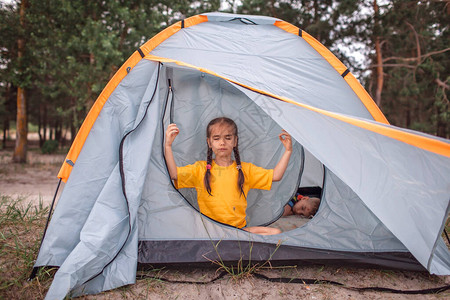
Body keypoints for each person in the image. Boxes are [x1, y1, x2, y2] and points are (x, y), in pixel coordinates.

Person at [164, 117, 292, 235]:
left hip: (238, 231)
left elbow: (275, 176)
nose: (222, 143)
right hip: (210, 232)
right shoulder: (200, 169)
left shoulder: (245, 170)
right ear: (209, 142)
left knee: (275, 233)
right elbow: (174, 174)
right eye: (216, 138)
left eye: (228, 138)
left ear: (235, 141)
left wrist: (288, 151)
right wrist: (168, 146)